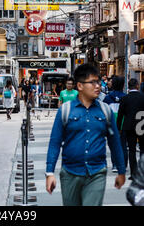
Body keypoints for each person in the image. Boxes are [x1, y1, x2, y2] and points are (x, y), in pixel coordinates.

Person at [46, 63, 126, 206]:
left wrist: (121, 170)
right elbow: (55, 142)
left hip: (97, 173)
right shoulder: (65, 110)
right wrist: (49, 172)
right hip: (70, 173)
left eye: (98, 81)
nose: (98, 86)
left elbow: (115, 142)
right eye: (93, 82)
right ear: (80, 86)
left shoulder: (105, 110)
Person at [117, 78, 144, 180]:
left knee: (131, 150)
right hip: (141, 125)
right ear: (137, 86)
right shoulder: (142, 97)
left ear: (128, 86)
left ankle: (134, 174)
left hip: (128, 126)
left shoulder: (125, 98)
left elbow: (120, 115)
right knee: (142, 149)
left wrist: (118, 128)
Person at [103, 76, 128, 172]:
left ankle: (115, 165)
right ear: (123, 85)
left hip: (111, 124)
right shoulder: (125, 97)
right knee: (123, 145)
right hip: (123, 124)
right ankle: (124, 165)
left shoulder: (108, 97)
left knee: (113, 145)